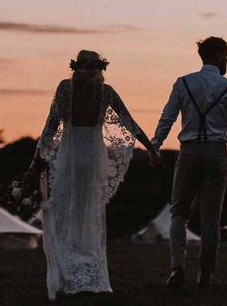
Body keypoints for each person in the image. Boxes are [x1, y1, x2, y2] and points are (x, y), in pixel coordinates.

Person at [31, 50, 161, 300]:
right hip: (92, 156)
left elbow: (50, 126)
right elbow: (129, 124)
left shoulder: (64, 89)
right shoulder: (106, 92)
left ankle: (68, 268)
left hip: (70, 154)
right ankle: (87, 269)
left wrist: (35, 161)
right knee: (88, 208)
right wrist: (152, 149)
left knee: (67, 208)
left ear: (76, 66)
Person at [151, 36, 227, 289]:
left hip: (189, 153)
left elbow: (167, 117)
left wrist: (155, 145)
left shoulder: (183, 83)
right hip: (216, 154)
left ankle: (177, 268)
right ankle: (205, 275)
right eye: (225, 55)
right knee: (211, 219)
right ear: (216, 55)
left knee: (179, 213)